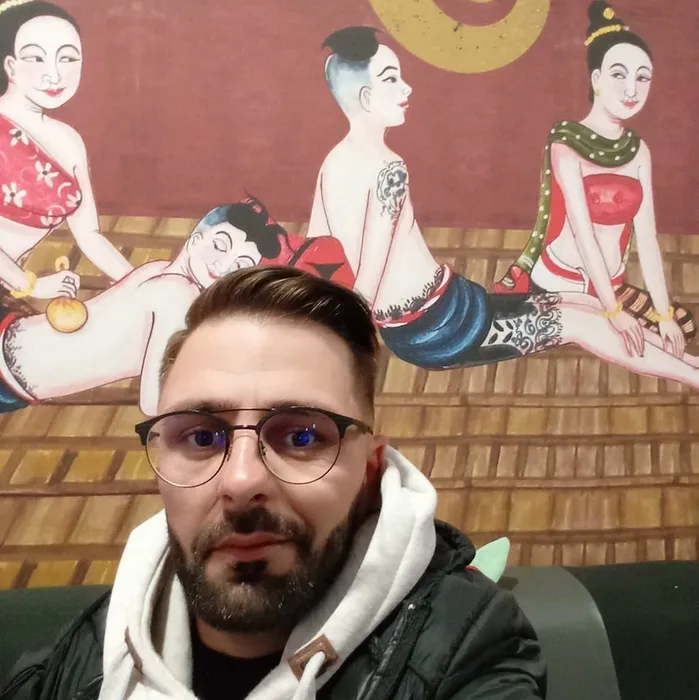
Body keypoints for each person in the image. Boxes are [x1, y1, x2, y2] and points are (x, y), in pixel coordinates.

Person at [1, 265, 547, 700]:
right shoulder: (78, 659)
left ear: (370, 469)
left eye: (302, 436)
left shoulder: (469, 649)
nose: (242, 481)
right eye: (201, 436)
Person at [306, 25, 699, 389]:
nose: (406, 87)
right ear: (366, 97)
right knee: (583, 322)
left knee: (585, 304)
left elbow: (315, 251)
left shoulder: (333, 162)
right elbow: (368, 280)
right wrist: (340, 346)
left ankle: (692, 364)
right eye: (392, 78)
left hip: (447, 309)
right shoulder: (388, 169)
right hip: (437, 327)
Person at [493, 1, 694, 360]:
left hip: (612, 285)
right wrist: (613, 312)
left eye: (642, 77)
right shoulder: (566, 144)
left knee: (682, 327)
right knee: (643, 350)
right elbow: (584, 236)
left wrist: (664, 314)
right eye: (619, 75)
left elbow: (647, 238)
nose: (631, 90)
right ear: (597, 79)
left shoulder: (638, 151)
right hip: (563, 282)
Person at [0, 198, 285, 416]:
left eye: (238, 266)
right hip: (10, 361)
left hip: (9, 361)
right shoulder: (175, 290)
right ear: (196, 239)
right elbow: (153, 402)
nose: (221, 266)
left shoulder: (164, 276)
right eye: (220, 246)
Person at [0, 0, 131, 303]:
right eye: (36, 58)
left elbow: (90, 237)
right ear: (10, 66)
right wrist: (30, 285)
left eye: (68, 58)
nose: (54, 75)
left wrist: (141, 281)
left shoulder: (69, 141)